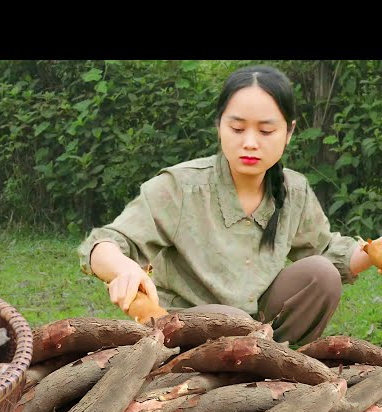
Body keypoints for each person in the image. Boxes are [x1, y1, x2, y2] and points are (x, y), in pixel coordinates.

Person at [78, 65, 378, 346]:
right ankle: (229, 364)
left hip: (256, 328)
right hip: (183, 332)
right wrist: (123, 269)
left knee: (321, 274)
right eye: (237, 129)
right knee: (230, 321)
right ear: (219, 126)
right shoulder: (181, 186)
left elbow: (326, 251)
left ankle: (273, 360)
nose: (250, 142)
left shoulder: (293, 189)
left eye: (265, 131)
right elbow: (103, 244)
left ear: (289, 132)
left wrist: (374, 251)